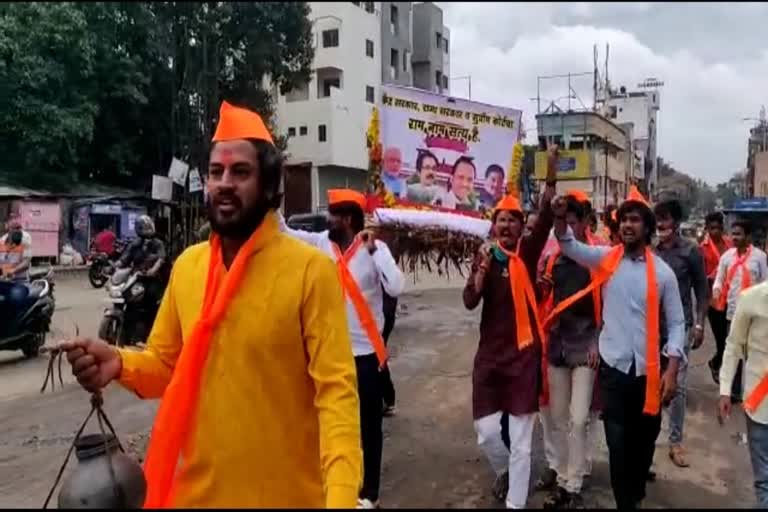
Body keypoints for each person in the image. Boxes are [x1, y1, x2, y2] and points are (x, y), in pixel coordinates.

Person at [59, 101, 362, 508]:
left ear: (270, 186)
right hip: (195, 498)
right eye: (216, 172)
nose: (224, 183)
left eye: (241, 172)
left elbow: (336, 399)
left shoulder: (311, 272)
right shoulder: (188, 267)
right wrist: (119, 362)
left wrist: (341, 498)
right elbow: (168, 366)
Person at [553, 186, 685, 509]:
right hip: (613, 368)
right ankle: (626, 503)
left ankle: (635, 492)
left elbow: (678, 324)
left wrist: (671, 369)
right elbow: (568, 244)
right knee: (617, 443)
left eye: (635, 219)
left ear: (648, 227)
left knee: (643, 443)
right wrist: (558, 217)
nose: (627, 225)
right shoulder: (606, 259)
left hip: (648, 373)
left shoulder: (664, 275)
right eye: (624, 219)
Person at [279, 188, 405, 509]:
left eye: (333, 214)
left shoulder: (375, 250)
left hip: (366, 356)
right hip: (330, 354)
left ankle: (369, 493)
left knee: (368, 428)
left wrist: (375, 251)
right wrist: (271, 200)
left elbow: (396, 285)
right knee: (332, 423)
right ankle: (337, 482)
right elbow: (287, 234)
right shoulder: (324, 243)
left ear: (346, 219)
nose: (327, 219)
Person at [462, 144, 558, 509]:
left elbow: (546, 216)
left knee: (521, 440)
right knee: (486, 433)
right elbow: (470, 301)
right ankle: (503, 471)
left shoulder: (528, 254)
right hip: (490, 357)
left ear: (521, 228)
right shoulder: (484, 256)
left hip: (523, 358)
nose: (507, 225)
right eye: (501, 219)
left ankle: (515, 504)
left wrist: (550, 175)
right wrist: (482, 270)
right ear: (494, 225)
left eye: (513, 220)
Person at [536, 192, 601, 508]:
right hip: (558, 346)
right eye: (564, 223)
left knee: (578, 419)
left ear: (585, 223)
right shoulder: (551, 259)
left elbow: (609, 307)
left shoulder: (598, 257)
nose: (569, 229)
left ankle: (574, 484)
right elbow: (541, 300)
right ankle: (563, 479)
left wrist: (597, 342)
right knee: (559, 418)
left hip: (586, 347)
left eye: (574, 222)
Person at [653, 199, 708, 469]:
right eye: (657, 219)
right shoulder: (650, 251)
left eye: (664, 219)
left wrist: (699, 325)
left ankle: (675, 442)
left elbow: (701, 290)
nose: (660, 224)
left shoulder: (691, 252)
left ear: (675, 222)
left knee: (678, 387)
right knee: (652, 385)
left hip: (681, 327)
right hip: (652, 330)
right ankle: (648, 445)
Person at [718, 279, 768, 508]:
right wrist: (725, 390)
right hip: (761, 407)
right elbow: (733, 345)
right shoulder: (751, 298)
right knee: (764, 482)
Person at [713, 219, 768, 401]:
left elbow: (765, 282)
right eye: (732, 233)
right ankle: (734, 391)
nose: (734, 237)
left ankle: (755, 390)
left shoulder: (759, 257)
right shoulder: (727, 257)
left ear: (748, 236)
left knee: (755, 353)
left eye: (738, 234)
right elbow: (719, 278)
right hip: (734, 312)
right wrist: (717, 290)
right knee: (734, 350)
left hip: (757, 314)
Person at [701, 212, 732, 384]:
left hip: (731, 298)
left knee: (731, 339)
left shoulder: (730, 244)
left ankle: (718, 364)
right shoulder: (702, 248)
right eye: (712, 228)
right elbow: (701, 275)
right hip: (713, 301)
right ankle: (716, 363)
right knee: (721, 339)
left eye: (718, 228)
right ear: (707, 228)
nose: (715, 232)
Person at [0, 217, 32, 282]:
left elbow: (26, 263)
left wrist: (12, 271)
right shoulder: (2, 240)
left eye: (18, 228)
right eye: (13, 228)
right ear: (7, 227)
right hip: (4, 279)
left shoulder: (25, 238)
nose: (16, 230)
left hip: (20, 279)